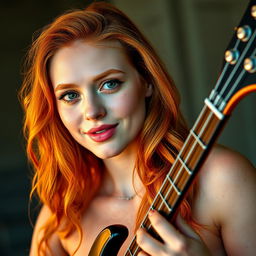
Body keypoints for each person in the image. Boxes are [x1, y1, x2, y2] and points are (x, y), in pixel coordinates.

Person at [19, 2, 256, 256]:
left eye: (110, 84)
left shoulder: (223, 179)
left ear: (146, 82)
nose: (92, 112)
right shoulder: (64, 212)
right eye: (69, 95)